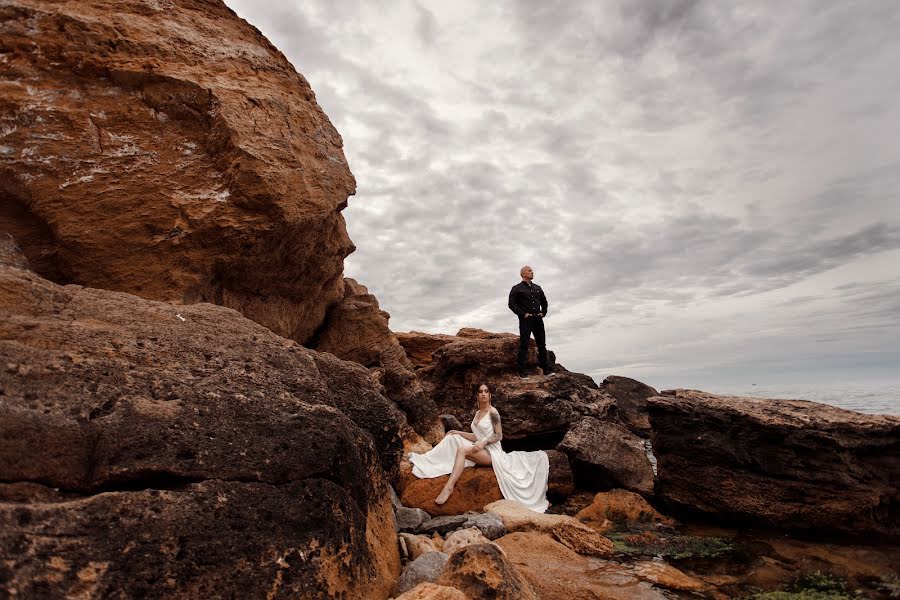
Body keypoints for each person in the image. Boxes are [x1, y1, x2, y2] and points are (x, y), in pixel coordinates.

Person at [408, 383, 549, 512]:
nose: (483, 394)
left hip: (492, 452)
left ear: (490, 395)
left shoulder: (493, 413)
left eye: (486, 391)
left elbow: (499, 436)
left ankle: (449, 487)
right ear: (477, 395)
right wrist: (458, 432)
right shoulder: (477, 413)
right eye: (480, 391)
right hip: (480, 447)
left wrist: (484, 443)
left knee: (462, 450)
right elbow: (476, 436)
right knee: (453, 437)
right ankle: (428, 459)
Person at [508, 265, 551, 378]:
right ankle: (521, 371)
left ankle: (546, 370)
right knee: (524, 344)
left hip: (538, 319)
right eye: (529, 271)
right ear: (523, 274)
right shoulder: (516, 288)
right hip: (526, 320)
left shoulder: (538, 288)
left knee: (542, 344)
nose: (532, 272)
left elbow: (544, 302)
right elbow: (511, 304)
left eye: (532, 271)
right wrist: (523, 314)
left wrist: (543, 313)